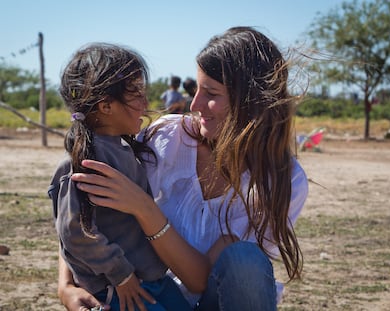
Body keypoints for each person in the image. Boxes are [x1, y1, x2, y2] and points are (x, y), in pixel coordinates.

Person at [60, 26, 309, 311]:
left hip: (215, 301)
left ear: (252, 102)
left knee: (244, 259)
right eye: (196, 89)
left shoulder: (284, 181)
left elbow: (203, 282)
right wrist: (66, 285)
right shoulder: (165, 139)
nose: (194, 104)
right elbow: (83, 205)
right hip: (149, 296)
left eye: (211, 92)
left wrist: (145, 209)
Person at [48, 43, 191, 311]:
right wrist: (121, 274)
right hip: (123, 289)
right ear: (106, 106)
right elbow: (74, 231)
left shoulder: (123, 147)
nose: (145, 103)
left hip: (152, 279)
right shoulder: (85, 162)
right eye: (136, 93)